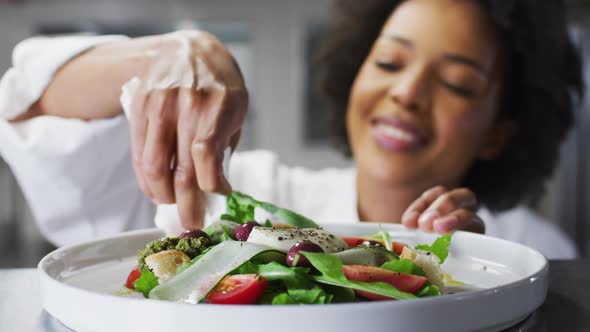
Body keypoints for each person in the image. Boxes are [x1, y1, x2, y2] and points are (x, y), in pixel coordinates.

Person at [0, 0, 582, 258]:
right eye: (388, 63)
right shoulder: (238, 191)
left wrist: (466, 279)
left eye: (456, 83)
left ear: (500, 132)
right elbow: (29, 107)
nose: (405, 93)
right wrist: (168, 54)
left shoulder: (531, 249)